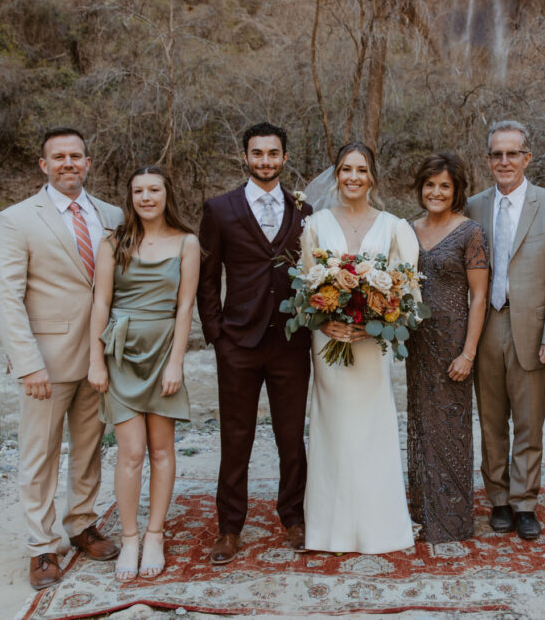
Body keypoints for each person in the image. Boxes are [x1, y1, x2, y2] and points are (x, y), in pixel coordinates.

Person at [0, 127, 123, 590]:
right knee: (38, 456)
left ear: (88, 162)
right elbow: (5, 297)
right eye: (58, 157)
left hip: (99, 357)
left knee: (89, 448)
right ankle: (42, 547)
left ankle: (81, 524)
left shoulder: (112, 215)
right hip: (46, 359)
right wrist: (27, 363)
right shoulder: (17, 219)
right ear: (44, 165)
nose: (69, 163)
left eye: (77, 156)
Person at [198, 122, 313, 565]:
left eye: (273, 153)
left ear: (285, 158)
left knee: (291, 437)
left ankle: (294, 517)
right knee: (236, 437)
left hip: (289, 341)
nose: (265, 160)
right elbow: (207, 280)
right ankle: (229, 527)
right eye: (257, 153)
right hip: (238, 343)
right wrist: (216, 334)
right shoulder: (220, 209)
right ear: (244, 157)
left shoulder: (303, 209)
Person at [301, 142, 418, 554]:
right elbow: (304, 288)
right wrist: (324, 318)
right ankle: (327, 530)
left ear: (372, 177)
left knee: (370, 430)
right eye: (346, 169)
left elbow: (409, 297)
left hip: (371, 346)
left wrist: (374, 327)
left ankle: (379, 527)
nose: (353, 177)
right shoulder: (314, 225)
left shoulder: (394, 227)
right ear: (337, 175)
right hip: (328, 339)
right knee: (332, 430)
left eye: (361, 170)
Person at [465, 120, 545, 540]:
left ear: (527, 157)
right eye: (497, 154)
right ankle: (498, 498)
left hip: (532, 327)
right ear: (489, 159)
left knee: (529, 421)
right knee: (492, 419)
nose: (505, 161)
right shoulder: (473, 206)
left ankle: (525, 501)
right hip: (487, 323)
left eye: (513, 153)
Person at [88, 166, 200, 580]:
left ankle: (155, 534)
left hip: (162, 355)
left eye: (154, 190)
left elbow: (185, 308)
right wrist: (95, 359)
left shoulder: (187, 243)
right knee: (130, 453)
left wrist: (177, 361)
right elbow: (100, 304)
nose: (146, 197)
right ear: (130, 197)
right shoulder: (113, 243)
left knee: (162, 450)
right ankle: (130, 538)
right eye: (138, 191)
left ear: (167, 194)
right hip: (120, 355)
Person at [405, 152, 489, 543]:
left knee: (451, 428)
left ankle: (452, 519)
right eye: (430, 185)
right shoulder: (408, 230)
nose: (436, 192)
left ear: (456, 191)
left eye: (445, 186)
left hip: (454, 345)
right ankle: (422, 509)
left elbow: (478, 297)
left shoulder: (470, 232)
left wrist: (468, 352)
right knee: (421, 425)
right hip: (417, 343)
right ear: (420, 188)